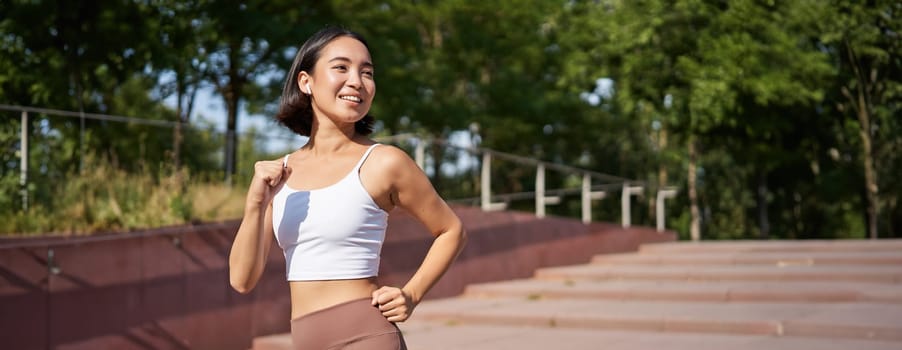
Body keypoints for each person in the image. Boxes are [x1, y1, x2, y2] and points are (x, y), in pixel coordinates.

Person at [228, 26, 467, 349]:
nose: (357, 80)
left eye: (366, 72)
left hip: (366, 336)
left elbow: (451, 229)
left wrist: (411, 294)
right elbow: (242, 281)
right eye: (341, 67)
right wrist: (255, 205)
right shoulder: (278, 175)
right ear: (305, 82)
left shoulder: (384, 162)